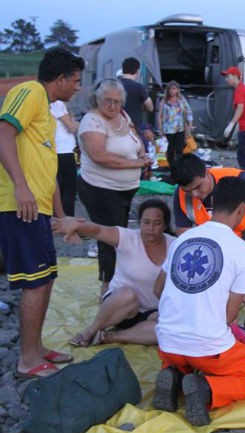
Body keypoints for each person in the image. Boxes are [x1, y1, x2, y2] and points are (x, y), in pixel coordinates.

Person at [152, 177, 245, 426]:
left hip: (167, 343)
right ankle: (207, 389)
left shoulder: (182, 240)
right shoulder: (242, 251)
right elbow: (228, 317)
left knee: (187, 358)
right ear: (242, 208)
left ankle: (173, 375)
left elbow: (158, 289)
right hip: (209, 349)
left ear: (212, 202)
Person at [0, 47, 84, 378]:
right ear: (60, 78)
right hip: (21, 205)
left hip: (40, 208)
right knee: (34, 282)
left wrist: (63, 217)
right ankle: (27, 360)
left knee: (47, 278)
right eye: (75, 81)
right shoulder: (29, 91)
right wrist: (21, 186)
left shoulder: (48, 113)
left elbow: (47, 170)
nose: (78, 87)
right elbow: (3, 132)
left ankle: (36, 348)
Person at [173, 153, 245, 330]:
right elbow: (182, 230)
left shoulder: (237, 180)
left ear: (207, 172)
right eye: (189, 190)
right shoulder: (183, 195)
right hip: (218, 253)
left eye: (199, 187)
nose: (195, 194)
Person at [51, 199, 175, 347]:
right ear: (139, 222)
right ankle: (90, 331)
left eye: (157, 223)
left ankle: (111, 336)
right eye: (146, 222)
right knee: (127, 294)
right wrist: (77, 225)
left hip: (153, 314)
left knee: (169, 331)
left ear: (165, 225)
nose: (150, 228)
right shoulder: (128, 237)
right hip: (121, 306)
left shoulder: (175, 244)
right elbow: (98, 230)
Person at [78, 78, 149, 296]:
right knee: (110, 239)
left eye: (117, 102)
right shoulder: (92, 121)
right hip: (101, 189)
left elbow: (134, 138)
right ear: (96, 100)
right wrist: (135, 163)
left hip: (125, 190)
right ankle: (107, 288)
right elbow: (99, 156)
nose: (113, 106)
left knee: (121, 235)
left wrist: (142, 154)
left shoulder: (123, 116)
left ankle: (120, 280)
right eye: (108, 101)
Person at [221, 66, 245, 177]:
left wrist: (231, 125)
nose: (226, 79)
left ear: (235, 76)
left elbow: (240, 108)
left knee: (243, 156)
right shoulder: (243, 88)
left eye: (228, 76)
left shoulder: (239, 89)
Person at [157, 80, 193, 177]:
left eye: (174, 89)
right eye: (170, 89)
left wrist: (189, 124)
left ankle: (180, 168)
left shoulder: (182, 100)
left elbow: (188, 111)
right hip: (168, 129)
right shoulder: (164, 101)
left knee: (180, 148)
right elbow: (160, 115)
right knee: (170, 149)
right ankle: (172, 167)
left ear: (177, 90)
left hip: (179, 128)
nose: (172, 91)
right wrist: (160, 128)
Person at [51, 100, 79, 216]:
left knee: (60, 186)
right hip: (64, 151)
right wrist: (76, 123)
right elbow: (71, 127)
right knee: (68, 188)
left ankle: (58, 216)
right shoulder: (57, 104)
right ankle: (67, 217)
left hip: (58, 150)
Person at [118, 57, 154, 144]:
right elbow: (150, 108)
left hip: (115, 126)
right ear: (137, 71)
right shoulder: (138, 87)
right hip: (133, 128)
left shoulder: (115, 84)